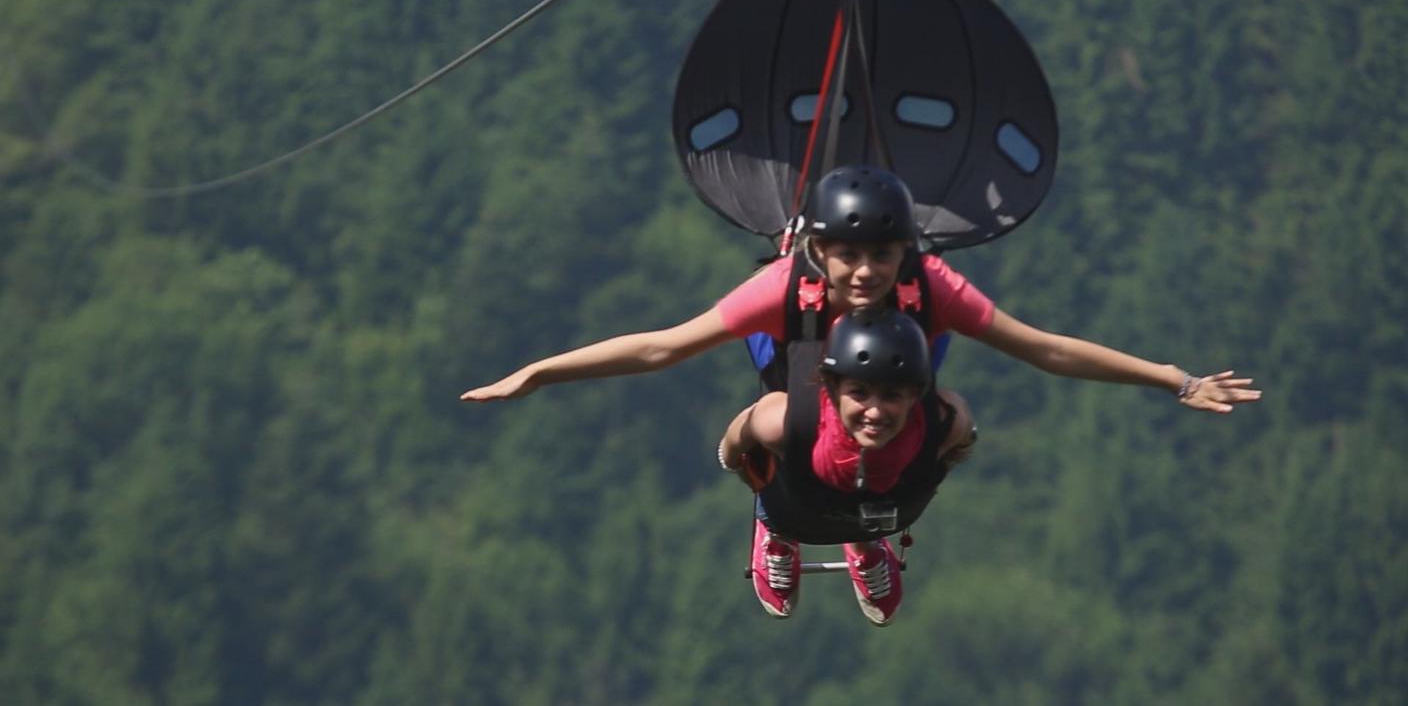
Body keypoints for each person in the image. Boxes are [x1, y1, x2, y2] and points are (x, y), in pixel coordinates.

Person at [460, 163, 1262, 614]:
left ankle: (868, 530)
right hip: (803, 405)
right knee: (777, 422)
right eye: (847, 255)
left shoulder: (930, 284)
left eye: (880, 253)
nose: (865, 272)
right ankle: (772, 520)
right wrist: (542, 372)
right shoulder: (782, 285)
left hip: (894, 411)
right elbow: (663, 346)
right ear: (819, 251)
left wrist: (1174, 380)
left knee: (959, 419)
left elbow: (1043, 349)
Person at [719, 307, 970, 625]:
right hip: (796, 487)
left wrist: (734, 463)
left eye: (890, 396)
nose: (875, 414)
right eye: (860, 395)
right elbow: (741, 438)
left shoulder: (947, 422)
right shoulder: (781, 422)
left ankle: (862, 537)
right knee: (782, 440)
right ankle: (776, 529)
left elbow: (734, 450)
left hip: (878, 494)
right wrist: (742, 467)